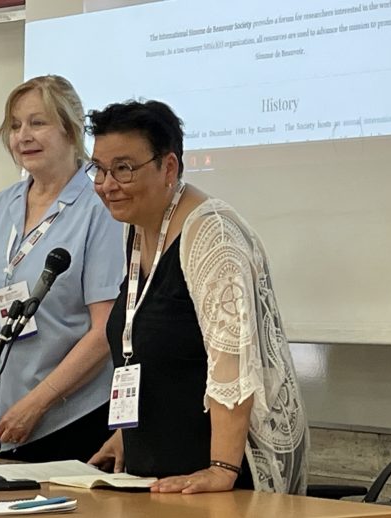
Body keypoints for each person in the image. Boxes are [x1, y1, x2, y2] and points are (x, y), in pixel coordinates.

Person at [86, 100, 309, 494]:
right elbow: (151, 346)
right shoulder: (137, 228)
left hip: (221, 481)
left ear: (168, 167)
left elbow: (233, 360)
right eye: (99, 169)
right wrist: (130, 434)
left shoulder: (212, 236)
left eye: (123, 168)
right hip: (159, 477)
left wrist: (222, 469)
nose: (106, 184)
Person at [0, 75, 123, 462]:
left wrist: (38, 403)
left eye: (37, 122)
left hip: (69, 422)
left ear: (70, 129)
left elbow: (105, 329)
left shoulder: (101, 208)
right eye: (14, 126)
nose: (23, 135)